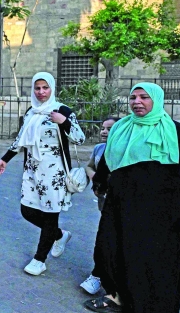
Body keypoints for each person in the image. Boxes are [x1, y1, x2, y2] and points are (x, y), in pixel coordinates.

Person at [85, 84, 180, 313]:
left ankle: (153, 307)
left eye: (144, 97)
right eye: (133, 97)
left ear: (156, 100)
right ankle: (117, 296)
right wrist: (100, 181)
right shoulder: (121, 128)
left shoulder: (177, 132)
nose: (137, 102)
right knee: (110, 247)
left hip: (163, 206)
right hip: (122, 201)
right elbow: (110, 157)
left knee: (154, 256)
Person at [0, 72, 85, 276]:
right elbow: (20, 139)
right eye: (37, 88)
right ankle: (59, 235)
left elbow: (80, 138)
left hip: (54, 173)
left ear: (52, 88)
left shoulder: (62, 110)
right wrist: (5, 159)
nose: (41, 92)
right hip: (32, 170)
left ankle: (39, 259)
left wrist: (63, 121)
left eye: (45, 88)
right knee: (27, 211)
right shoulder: (31, 111)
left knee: (50, 215)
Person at [79, 117, 117, 296]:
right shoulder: (99, 148)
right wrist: (96, 177)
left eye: (109, 129)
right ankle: (98, 275)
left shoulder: (123, 149)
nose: (104, 132)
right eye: (103, 128)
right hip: (104, 200)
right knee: (105, 236)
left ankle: (100, 275)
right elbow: (89, 166)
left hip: (120, 201)